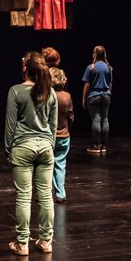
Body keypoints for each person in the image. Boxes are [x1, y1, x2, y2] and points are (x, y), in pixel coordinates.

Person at [5, 50, 57, 255]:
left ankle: (22, 243)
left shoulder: (16, 91)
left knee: (24, 196)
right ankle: (46, 241)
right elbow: (53, 126)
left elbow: (10, 126)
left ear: (25, 68)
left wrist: (9, 150)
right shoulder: (50, 92)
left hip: (23, 148)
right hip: (45, 148)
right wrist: (50, 145)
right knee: (45, 196)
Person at [49, 66, 74, 203]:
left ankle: (45, 194)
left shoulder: (47, 95)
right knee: (60, 165)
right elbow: (71, 117)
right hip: (64, 136)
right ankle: (60, 194)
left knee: (45, 166)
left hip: (49, 137)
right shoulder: (67, 96)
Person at [81, 45, 113, 154]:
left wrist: (83, 98)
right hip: (106, 95)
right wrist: (109, 94)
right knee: (105, 119)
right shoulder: (108, 68)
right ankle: (103, 145)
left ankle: (96, 145)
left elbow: (87, 84)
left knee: (96, 120)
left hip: (94, 96)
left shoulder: (91, 67)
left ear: (94, 54)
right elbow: (110, 83)